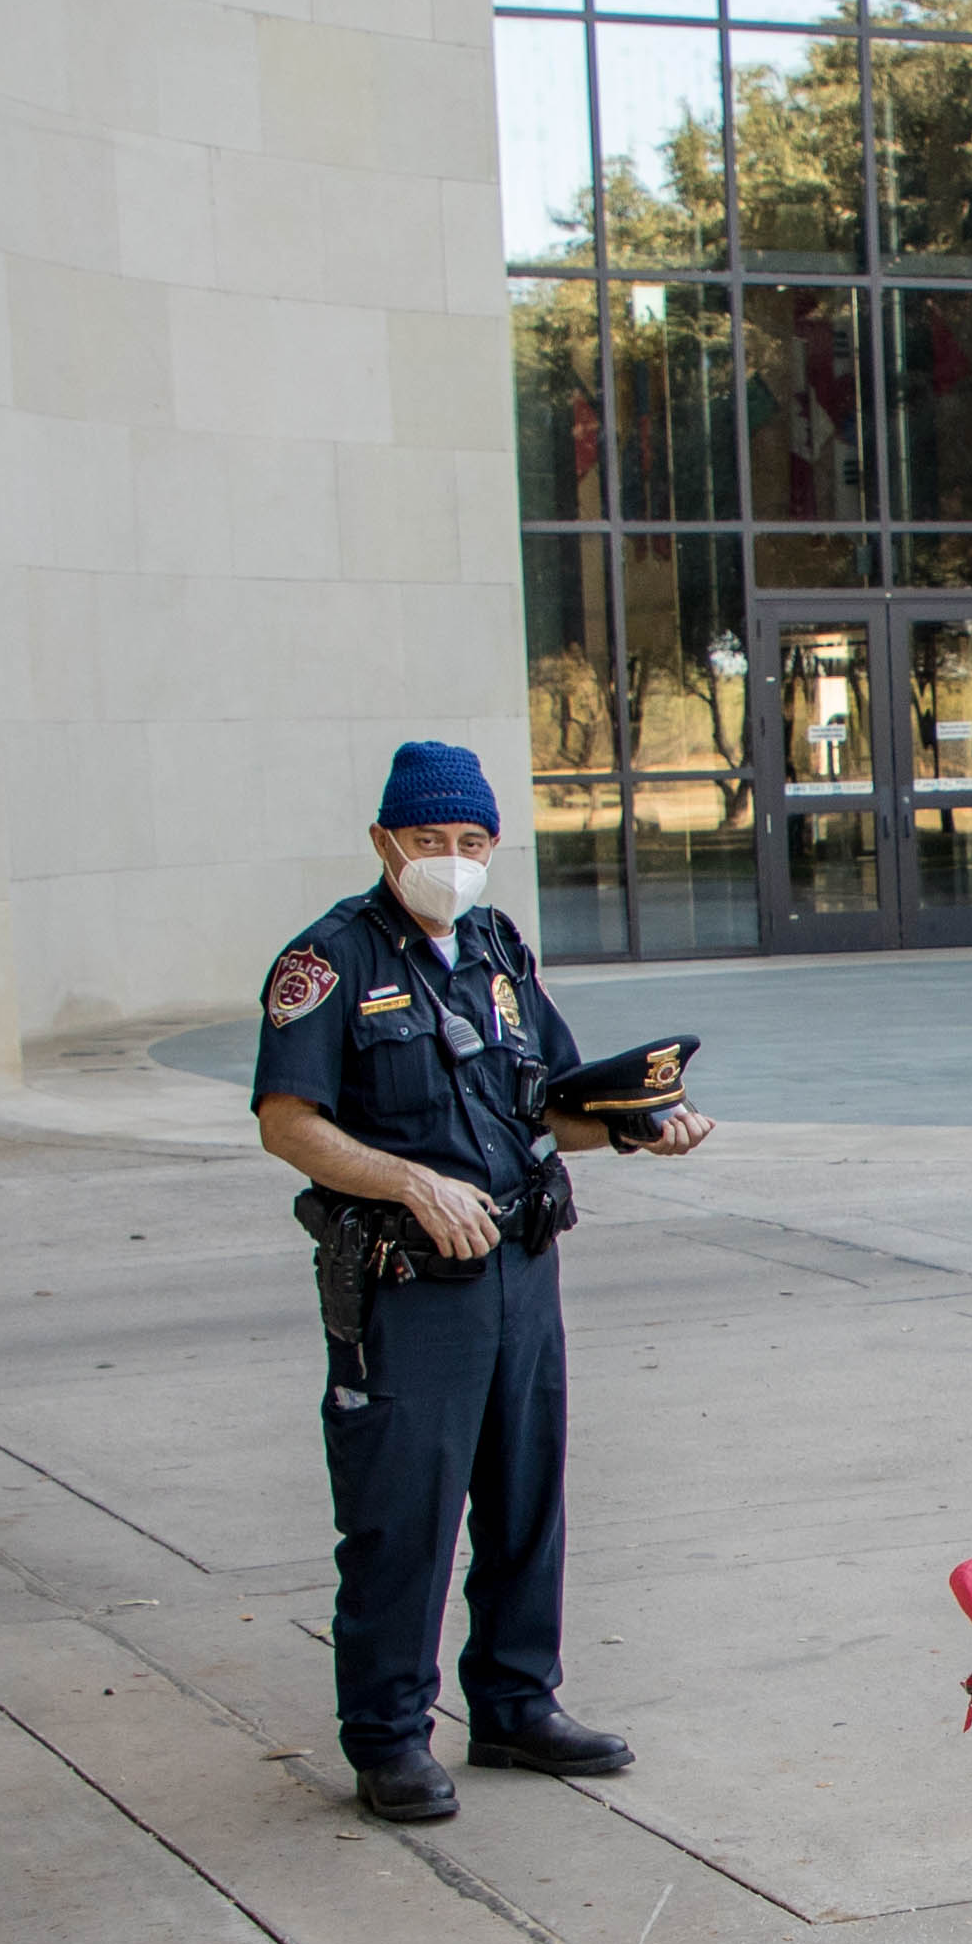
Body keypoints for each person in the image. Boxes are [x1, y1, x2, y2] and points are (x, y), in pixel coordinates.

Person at [251, 743, 704, 1822]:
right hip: (408, 1285)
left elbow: (546, 1107)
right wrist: (409, 1182)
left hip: (519, 1269)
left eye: (468, 842)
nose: (449, 860)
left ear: (492, 846)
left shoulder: (497, 950)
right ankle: (389, 1737)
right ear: (383, 842)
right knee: (402, 1514)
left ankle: (511, 1702)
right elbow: (288, 1123)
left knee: (522, 1499)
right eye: (426, 841)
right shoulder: (330, 961)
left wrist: (642, 1131)